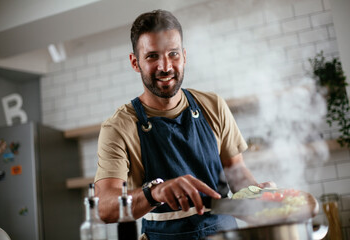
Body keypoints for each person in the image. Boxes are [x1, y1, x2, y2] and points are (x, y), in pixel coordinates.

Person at [95, 9, 274, 240]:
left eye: (173, 54)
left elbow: (238, 178)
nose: (166, 66)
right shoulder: (119, 127)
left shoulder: (213, 105)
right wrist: (155, 192)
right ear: (135, 62)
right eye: (152, 56)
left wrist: (262, 199)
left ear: (184, 55)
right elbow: (105, 208)